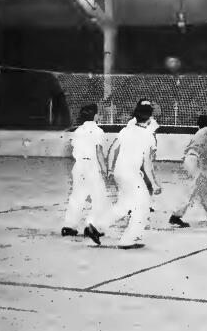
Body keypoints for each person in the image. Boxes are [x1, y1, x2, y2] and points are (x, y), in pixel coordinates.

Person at [85, 101, 161, 249]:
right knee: (143, 205)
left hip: (120, 172)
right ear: (149, 118)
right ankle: (128, 240)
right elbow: (147, 164)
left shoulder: (126, 130)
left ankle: (96, 227)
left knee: (124, 205)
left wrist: (111, 170)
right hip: (131, 174)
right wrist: (154, 183)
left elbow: (113, 149)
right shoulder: (148, 136)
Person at [61, 104, 109, 237]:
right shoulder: (98, 131)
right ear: (94, 116)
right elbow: (99, 152)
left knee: (77, 197)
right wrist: (105, 168)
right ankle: (91, 225)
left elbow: (74, 149)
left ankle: (68, 226)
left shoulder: (77, 131)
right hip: (91, 166)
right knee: (99, 197)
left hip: (78, 166)